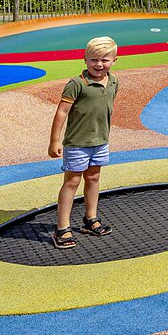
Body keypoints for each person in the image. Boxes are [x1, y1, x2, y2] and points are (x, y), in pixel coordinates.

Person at [47, 36, 118, 249]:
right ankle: (62, 228)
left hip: (100, 141)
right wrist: (54, 141)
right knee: (72, 181)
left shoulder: (113, 81)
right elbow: (61, 112)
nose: (99, 65)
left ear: (114, 60)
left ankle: (90, 219)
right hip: (77, 143)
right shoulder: (77, 84)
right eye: (94, 60)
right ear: (85, 59)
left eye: (105, 60)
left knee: (94, 177)